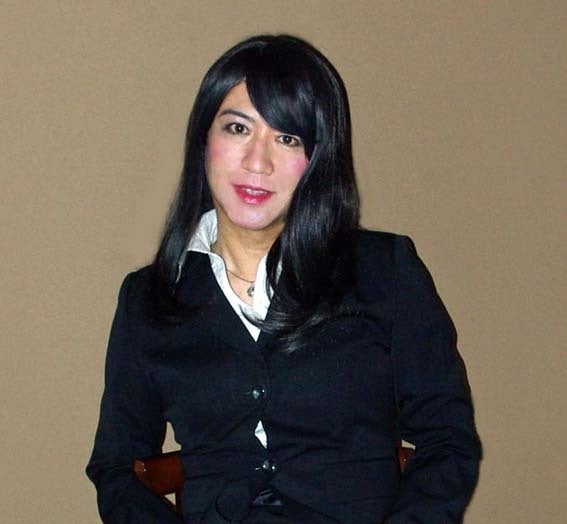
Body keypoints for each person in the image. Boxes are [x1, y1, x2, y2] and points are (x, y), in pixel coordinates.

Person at [86, 34, 481, 523]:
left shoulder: (384, 271)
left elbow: (447, 440)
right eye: (237, 128)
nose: (258, 162)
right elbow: (116, 468)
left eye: (287, 138)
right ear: (204, 139)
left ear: (318, 158)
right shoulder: (150, 297)